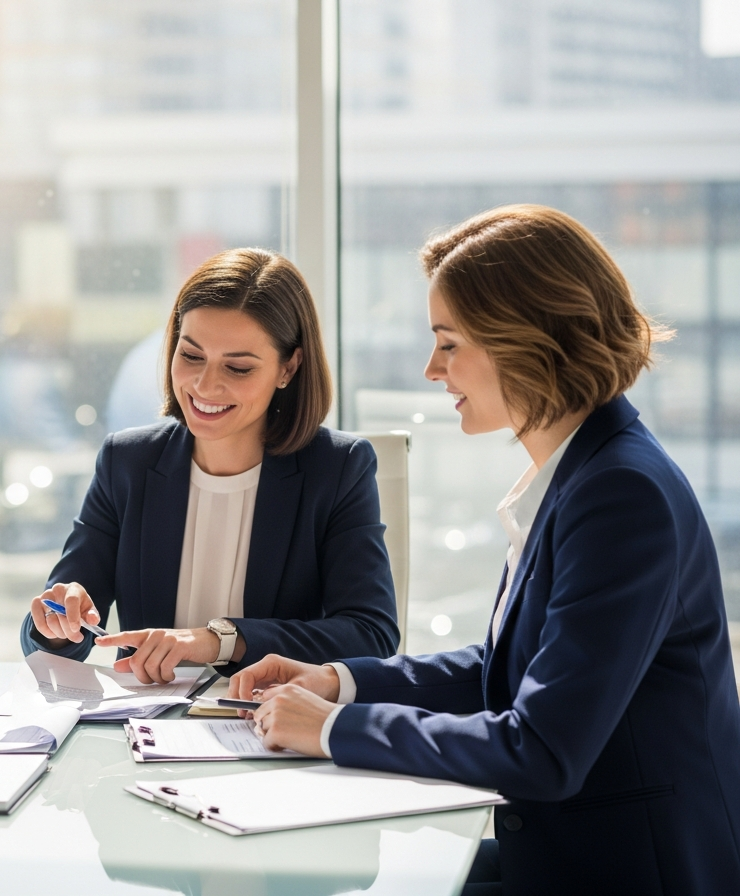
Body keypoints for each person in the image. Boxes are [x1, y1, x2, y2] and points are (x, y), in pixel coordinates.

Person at [233, 205, 740, 894]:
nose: (431, 369)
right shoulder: (584, 473)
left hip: (626, 870)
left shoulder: (620, 496)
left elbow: (543, 748)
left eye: (448, 343)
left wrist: (334, 728)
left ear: (526, 340)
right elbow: (508, 671)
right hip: (566, 847)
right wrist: (339, 681)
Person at [20, 248, 400, 683]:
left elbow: (371, 635)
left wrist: (218, 641)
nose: (205, 385)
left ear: (288, 368)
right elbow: (52, 638)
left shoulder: (337, 469)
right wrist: (57, 624)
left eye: (237, 368)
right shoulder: (126, 461)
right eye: (192, 356)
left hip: (269, 715)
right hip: (147, 717)